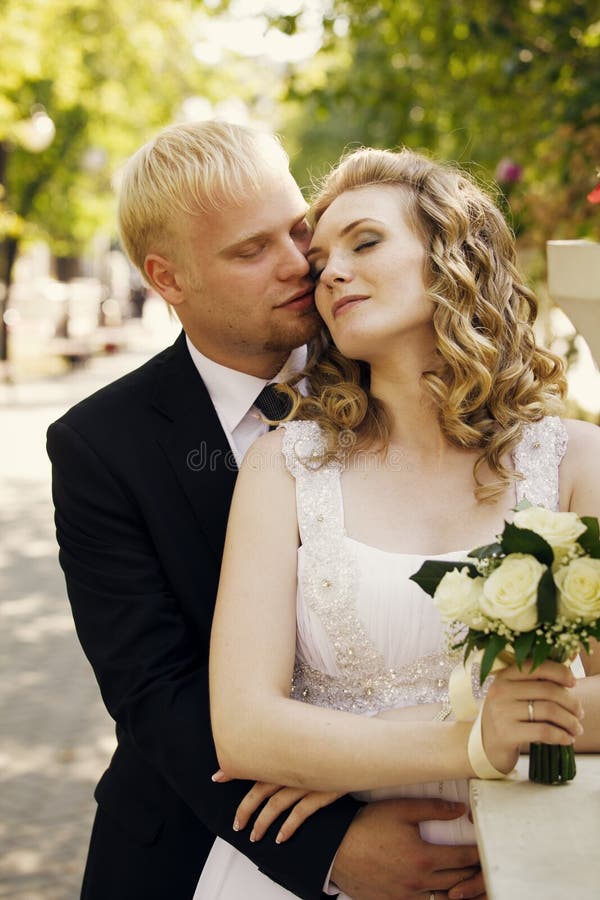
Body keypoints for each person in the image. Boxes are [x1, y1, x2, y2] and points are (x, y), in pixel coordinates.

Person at [47, 123, 486, 900]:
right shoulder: (99, 446)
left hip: (457, 826)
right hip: (199, 839)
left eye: (296, 229)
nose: (299, 265)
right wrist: (329, 849)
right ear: (168, 278)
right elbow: (156, 688)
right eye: (250, 252)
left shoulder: (394, 356)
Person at [201, 146, 600, 899]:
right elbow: (246, 728)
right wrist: (472, 738)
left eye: (366, 241)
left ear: (453, 251)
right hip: (325, 872)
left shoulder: (576, 461)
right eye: (321, 261)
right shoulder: (285, 466)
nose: (331, 273)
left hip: (527, 859)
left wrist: (361, 742)